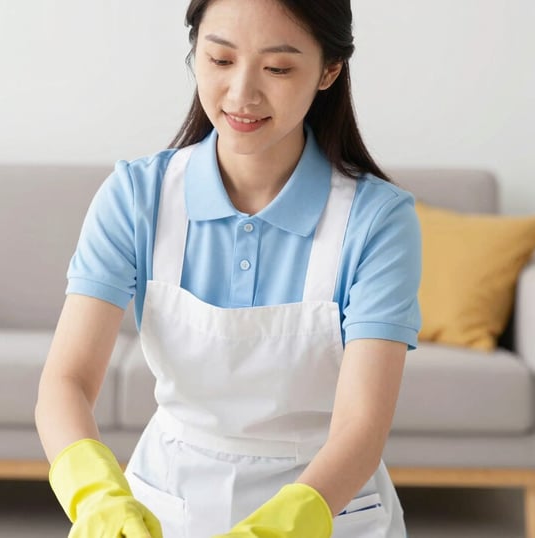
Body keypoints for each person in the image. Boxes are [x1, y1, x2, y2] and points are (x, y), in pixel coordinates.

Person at [35, 0, 421, 536]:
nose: (242, 94)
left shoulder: (377, 220)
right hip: (167, 505)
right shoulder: (137, 196)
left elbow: (362, 425)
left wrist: (284, 525)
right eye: (220, 60)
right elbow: (66, 380)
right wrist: (97, 498)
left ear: (329, 70)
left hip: (329, 510)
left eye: (278, 68)